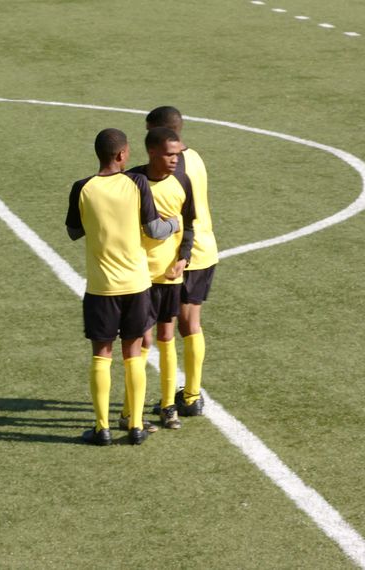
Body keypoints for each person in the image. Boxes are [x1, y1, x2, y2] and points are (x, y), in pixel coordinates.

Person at [65, 128, 179, 446]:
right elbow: (154, 229)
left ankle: (102, 428)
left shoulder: (82, 188)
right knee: (133, 353)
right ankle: (136, 426)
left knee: (101, 355)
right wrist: (175, 223)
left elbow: (73, 231)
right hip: (137, 285)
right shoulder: (137, 183)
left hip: (101, 288)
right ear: (121, 155)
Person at [118, 127, 194, 430]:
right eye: (169, 154)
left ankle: (167, 406)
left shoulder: (182, 181)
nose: (175, 160)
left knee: (166, 336)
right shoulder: (131, 181)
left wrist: (184, 258)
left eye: (177, 154)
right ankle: (130, 413)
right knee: (142, 340)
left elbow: (189, 225)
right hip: (138, 277)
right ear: (152, 152)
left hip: (169, 276)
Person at [146, 106, 217, 417]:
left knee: (172, 328)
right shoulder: (195, 156)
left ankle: (183, 397)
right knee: (191, 325)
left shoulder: (172, 171)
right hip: (206, 247)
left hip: (183, 254)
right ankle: (190, 394)